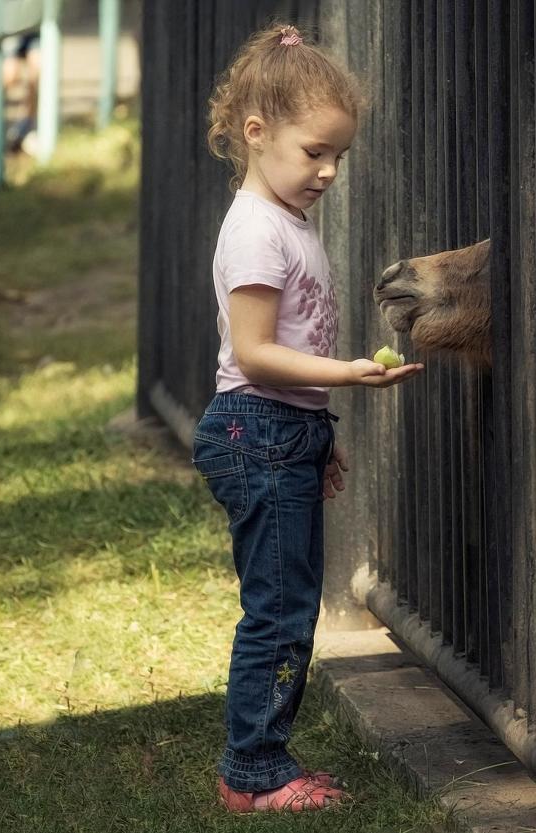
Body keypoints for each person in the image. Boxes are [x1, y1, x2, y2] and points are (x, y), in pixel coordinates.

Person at [194, 23, 423, 814]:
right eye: (314, 151)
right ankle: (252, 771)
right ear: (256, 134)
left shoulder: (286, 220)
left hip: (277, 434)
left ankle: (261, 756)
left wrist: (317, 435)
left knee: (288, 607)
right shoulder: (257, 230)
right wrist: (348, 376)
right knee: (281, 614)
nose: (328, 170)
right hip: (253, 431)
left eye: (339, 157)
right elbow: (256, 355)